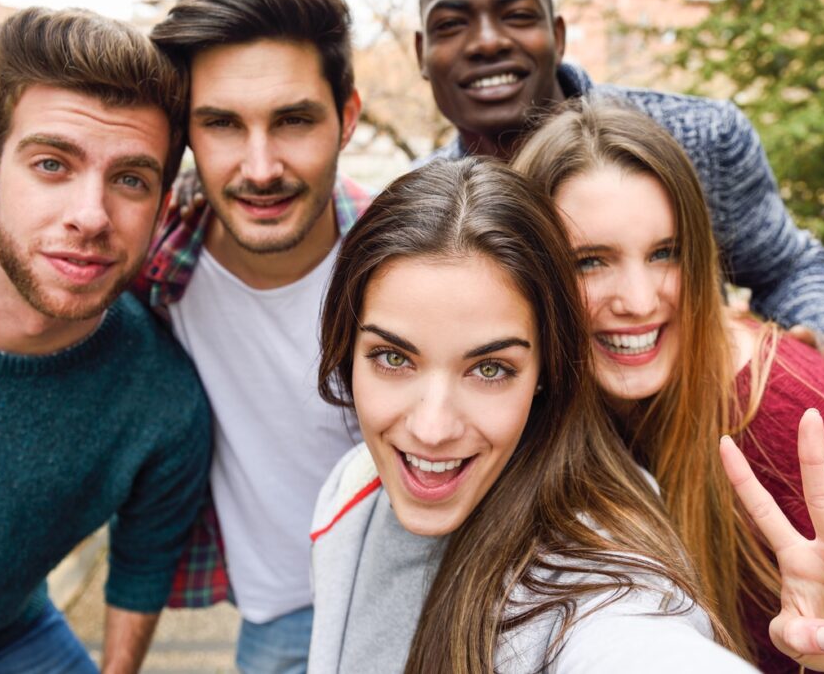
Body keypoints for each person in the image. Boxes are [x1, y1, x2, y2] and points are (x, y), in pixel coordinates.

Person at [512, 102, 824, 672]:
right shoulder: (544, 399)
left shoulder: (779, 413)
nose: (637, 300)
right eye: (590, 262)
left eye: (666, 253)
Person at [309, 156, 758, 673]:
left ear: (546, 368)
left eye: (490, 369)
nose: (432, 429)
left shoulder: (601, 576)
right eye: (393, 358)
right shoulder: (349, 489)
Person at [414, 0, 824, 457]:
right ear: (421, 52)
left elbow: (786, 267)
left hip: (705, 465)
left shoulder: (699, 139)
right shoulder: (424, 210)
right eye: (451, 23)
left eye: (517, 14)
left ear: (558, 35)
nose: (486, 41)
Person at [0, 7, 211, 674]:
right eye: (52, 164)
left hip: (2, 637)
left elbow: (143, 558)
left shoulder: (163, 398)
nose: (90, 216)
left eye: (130, 179)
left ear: (162, 209)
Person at [139, 0, 368, 671]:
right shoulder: (148, 265)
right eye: (222, 125)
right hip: (277, 616)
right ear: (185, 132)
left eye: (293, 120)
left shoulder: (412, 259)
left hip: (436, 591)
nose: (261, 167)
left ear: (346, 117)